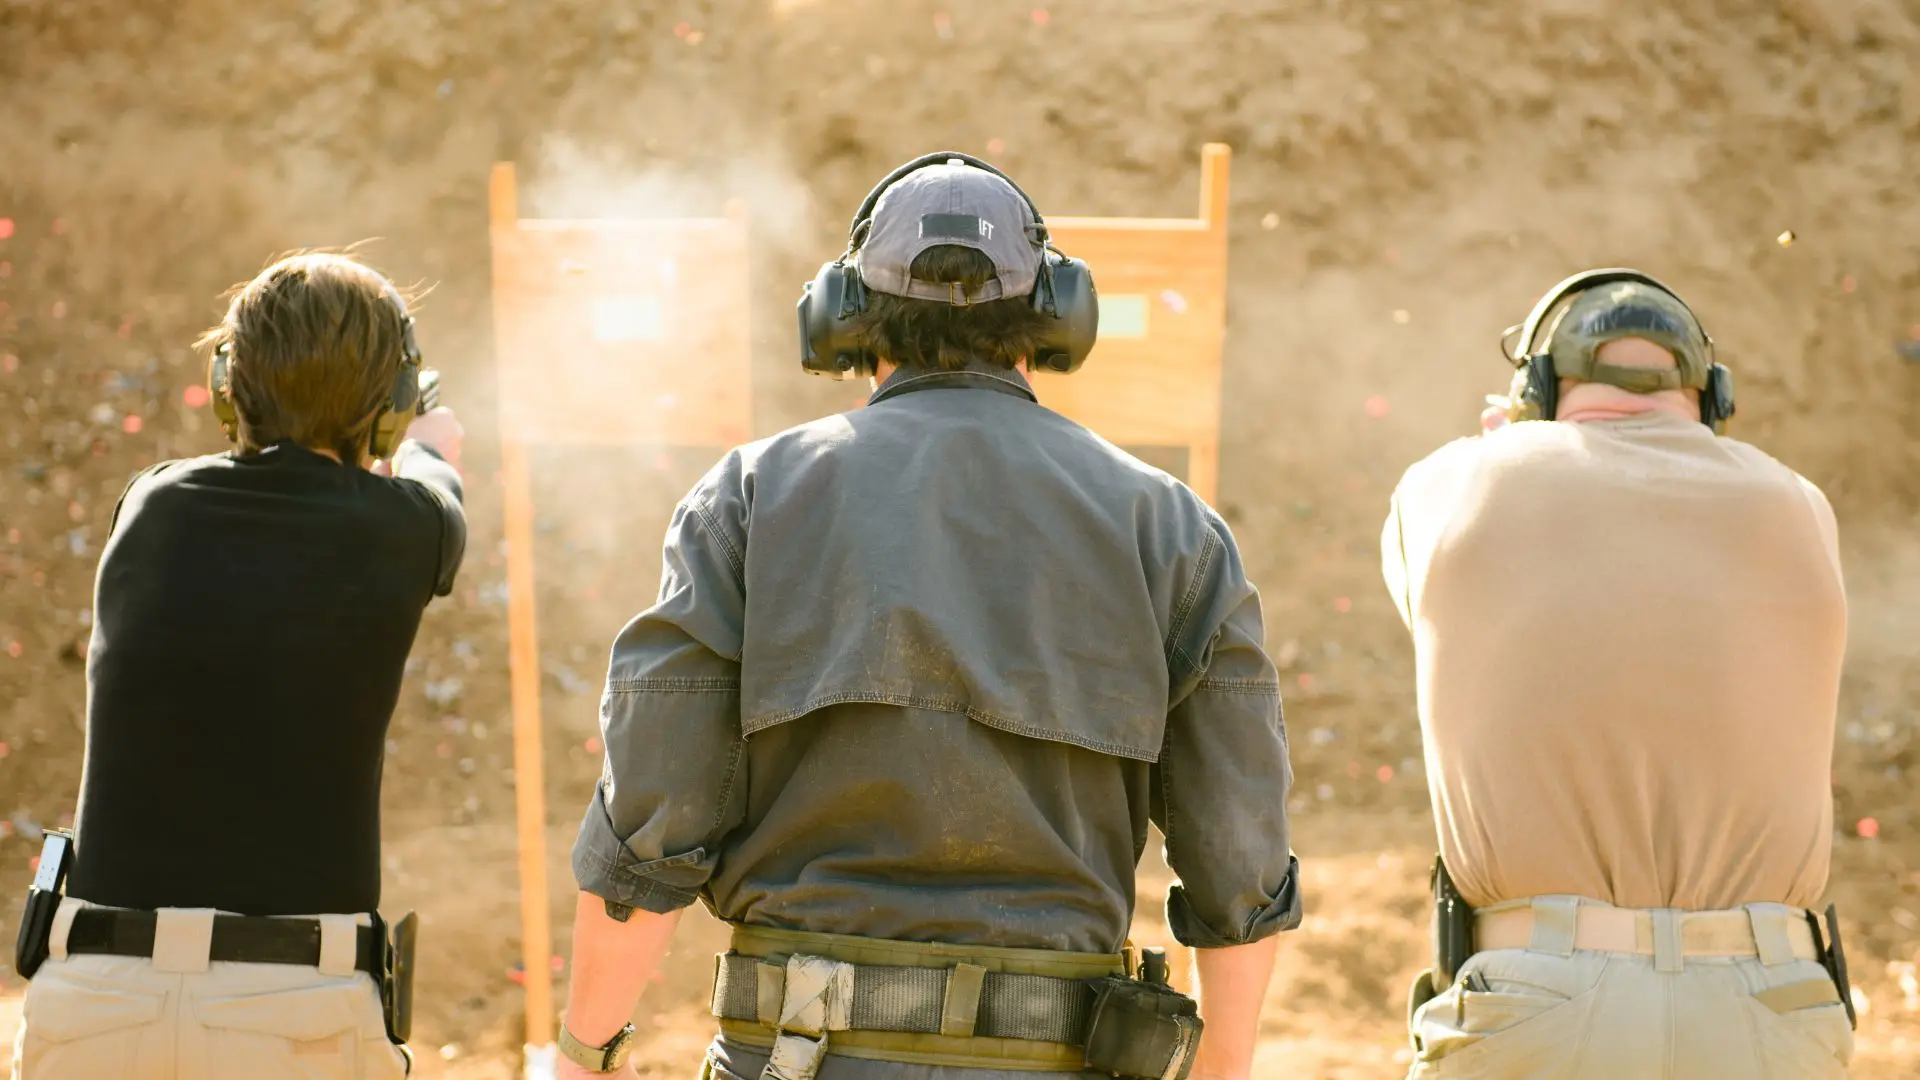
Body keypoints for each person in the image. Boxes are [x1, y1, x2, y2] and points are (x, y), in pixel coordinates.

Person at [554, 155, 1302, 1080]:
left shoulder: (748, 498)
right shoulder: (1172, 526)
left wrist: (581, 1054)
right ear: (1060, 317)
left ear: (840, 318)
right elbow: (1239, 858)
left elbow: (653, 815)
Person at [1381, 269, 1852, 1079]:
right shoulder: (1800, 506)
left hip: (1538, 997)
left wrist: (1505, 446)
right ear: (1710, 396)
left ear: (1536, 389)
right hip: (1771, 1003)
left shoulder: (1450, 486)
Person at [11, 252, 466, 1080]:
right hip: (294, 1016)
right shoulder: (407, 528)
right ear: (393, 409)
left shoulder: (150, 503)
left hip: (94, 1007)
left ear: (228, 386)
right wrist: (430, 442)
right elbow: (437, 488)